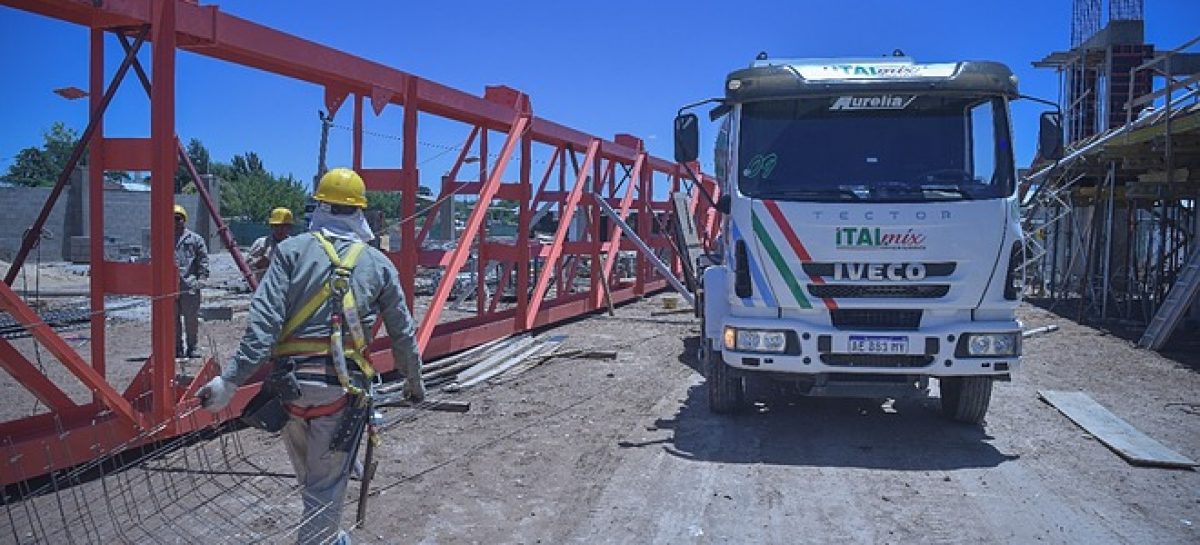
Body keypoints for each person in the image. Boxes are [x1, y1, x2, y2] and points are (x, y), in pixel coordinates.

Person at [197, 168, 425, 545]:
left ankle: (327, 537)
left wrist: (231, 379)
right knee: (324, 491)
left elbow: (264, 323)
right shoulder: (379, 264)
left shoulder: (290, 252)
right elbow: (403, 333)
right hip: (341, 394)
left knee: (313, 483)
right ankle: (322, 538)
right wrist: (414, 383)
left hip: (289, 391)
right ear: (360, 212)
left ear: (319, 205)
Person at [174, 203, 209, 358]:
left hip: (190, 285)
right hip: (169, 287)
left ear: (184, 220)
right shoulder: (162, 238)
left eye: (178, 218)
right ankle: (177, 348)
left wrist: (202, 279)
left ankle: (192, 347)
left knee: (191, 319)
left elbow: (203, 260)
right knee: (172, 320)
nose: (176, 222)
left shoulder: (195, 239)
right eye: (173, 219)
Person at [248, 207, 295, 282]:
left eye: (283, 226)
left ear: (290, 227)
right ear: (271, 226)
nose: (280, 230)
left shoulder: (295, 245)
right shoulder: (261, 243)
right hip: (263, 288)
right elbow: (247, 268)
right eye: (276, 226)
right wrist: (263, 260)